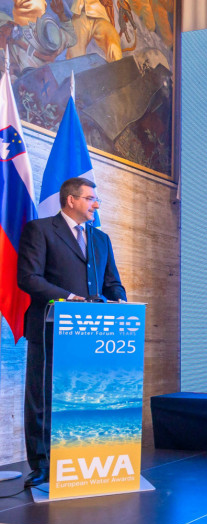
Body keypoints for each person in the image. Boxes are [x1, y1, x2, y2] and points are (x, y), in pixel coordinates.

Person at [17, 177, 126, 488]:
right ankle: (42, 464)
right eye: (91, 198)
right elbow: (28, 278)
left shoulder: (101, 239)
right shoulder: (40, 230)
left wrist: (120, 303)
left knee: (86, 395)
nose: (96, 204)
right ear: (71, 200)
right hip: (49, 328)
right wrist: (68, 298)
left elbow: (112, 283)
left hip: (92, 333)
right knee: (43, 398)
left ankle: (81, 459)